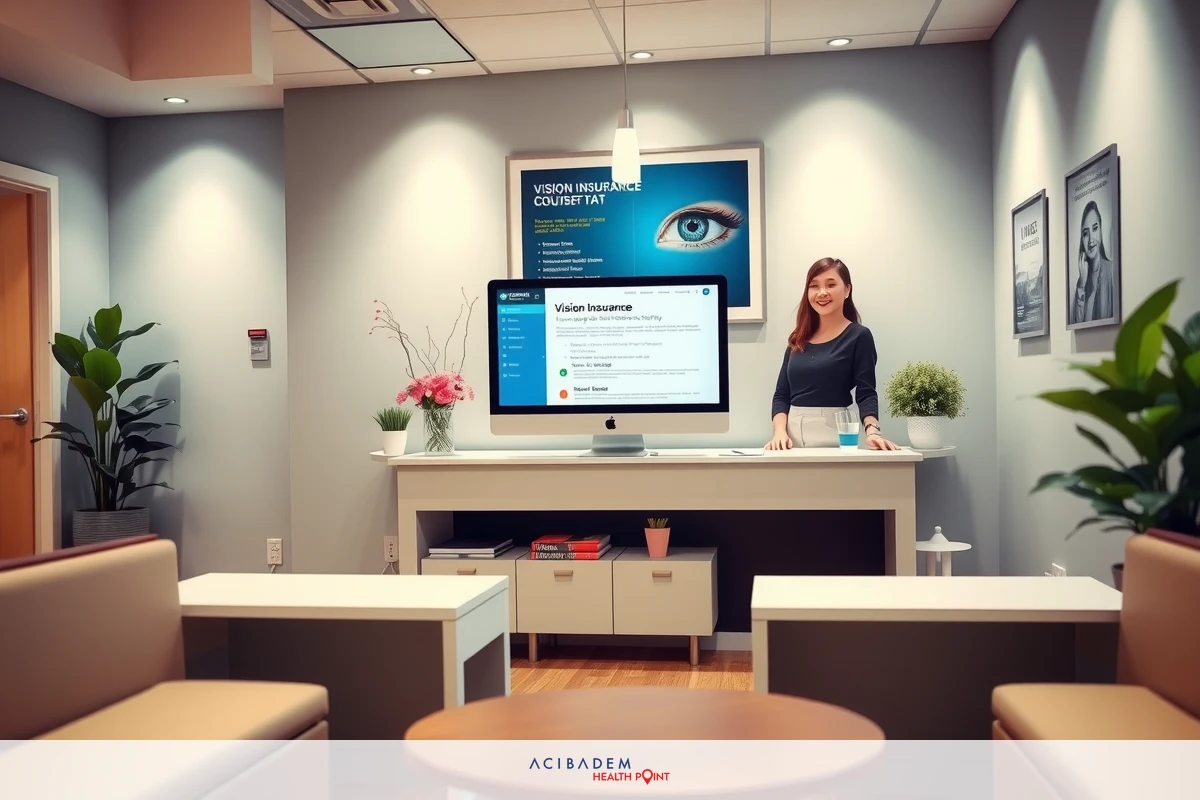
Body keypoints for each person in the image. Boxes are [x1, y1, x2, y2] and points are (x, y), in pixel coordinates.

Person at [766, 257, 899, 451]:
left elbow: (866, 392)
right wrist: (779, 433)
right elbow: (781, 395)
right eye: (814, 286)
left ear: (847, 289)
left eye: (831, 285)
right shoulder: (797, 339)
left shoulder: (859, 336)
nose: (822, 293)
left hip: (836, 436)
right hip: (791, 440)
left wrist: (873, 431)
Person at [1070, 200, 1114, 324]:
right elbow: (1078, 324)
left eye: (1095, 229)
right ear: (1081, 239)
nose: (1090, 241)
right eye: (1085, 233)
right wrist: (1081, 285)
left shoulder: (1111, 271)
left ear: (1101, 230)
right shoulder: (1082, 282)